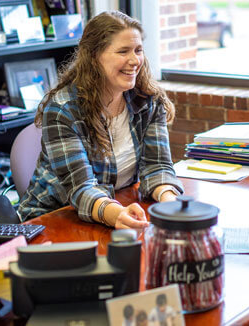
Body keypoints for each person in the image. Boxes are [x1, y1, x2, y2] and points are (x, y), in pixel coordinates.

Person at [17, 11, 183, 228]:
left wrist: (171, 206)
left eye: (138, 50)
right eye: (123, 51)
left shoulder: (148, 101)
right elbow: (81, 188)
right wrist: (117, 214)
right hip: (51, 219)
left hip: (113, 211)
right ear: (94, 56)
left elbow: (157, 167)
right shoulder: (63, 109)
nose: (135, 60)